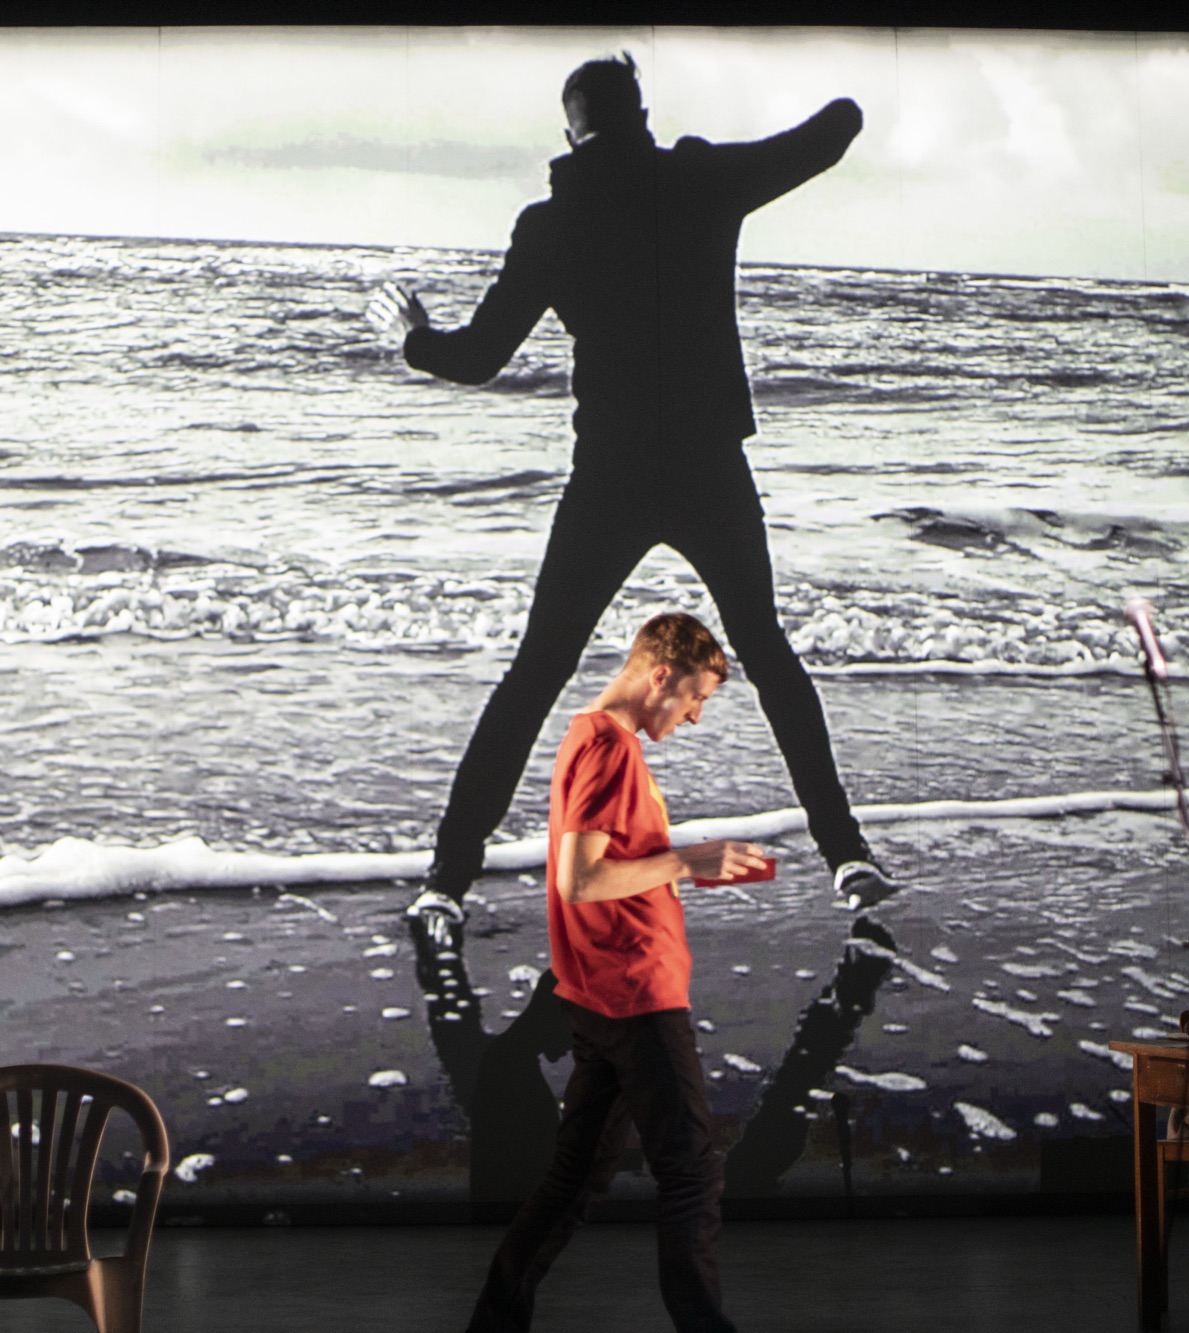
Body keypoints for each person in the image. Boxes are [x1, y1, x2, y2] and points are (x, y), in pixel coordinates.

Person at [367, 53, 893, 923]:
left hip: (610, 472)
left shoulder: (552, 223)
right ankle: (848, 856)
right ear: (641, 114)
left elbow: (480, 356)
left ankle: (445, 881)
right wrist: (834, 102)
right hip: (707, 463)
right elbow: (831, 133)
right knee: (766, 653)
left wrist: (415, 336)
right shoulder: (700, 180)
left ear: (570, 133)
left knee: (536, 672)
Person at [463, 611, 763, 1333]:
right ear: (660, 675)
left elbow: (605, 868)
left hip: (601, 996)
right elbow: (580, 879)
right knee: (691, 1175)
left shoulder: (587, 735)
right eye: (695, 698)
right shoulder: (610, 749)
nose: (695, 717)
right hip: (635, 996)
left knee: (573, 1181)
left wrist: (684, 866)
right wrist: (687, 861)